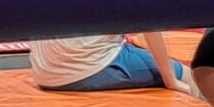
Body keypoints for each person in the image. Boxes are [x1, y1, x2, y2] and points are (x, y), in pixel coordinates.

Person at [28, 28, 199, 96]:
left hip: (44, 72)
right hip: (90, 67)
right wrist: (171, 80)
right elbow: (150, 26)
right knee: (190, 76)